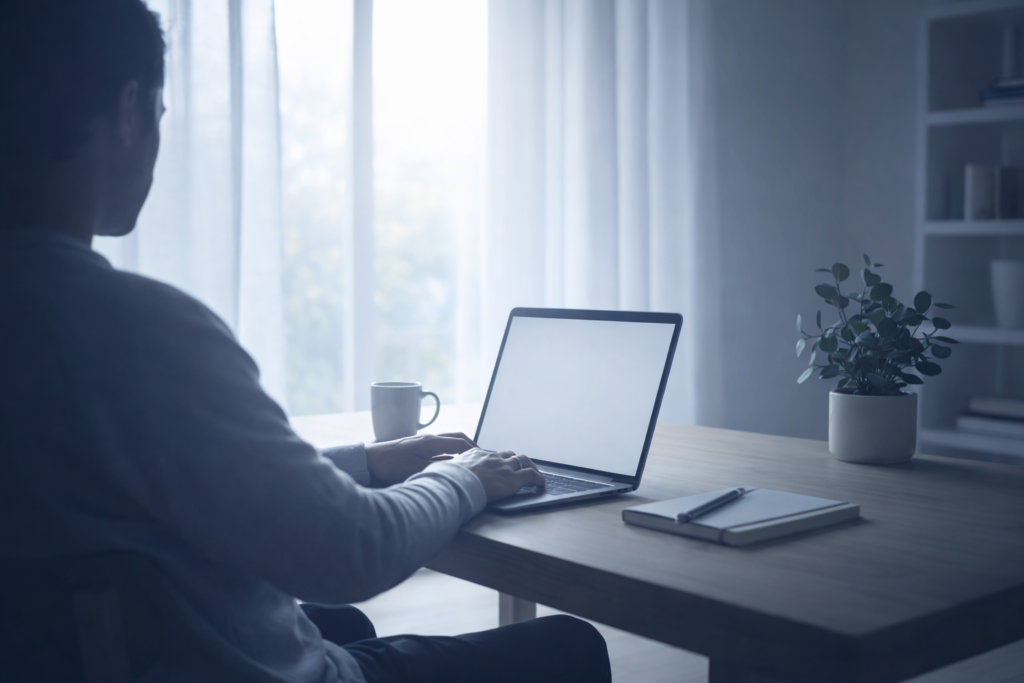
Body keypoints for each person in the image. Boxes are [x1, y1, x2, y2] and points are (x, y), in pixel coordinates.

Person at [0, 1, 612, 681]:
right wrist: (463, 476)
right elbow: (352, 551)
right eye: (161, 118)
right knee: (570, 646)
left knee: (337, 626)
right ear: (128, 109)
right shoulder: (138, 330)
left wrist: (370, 462)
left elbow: (187, 484)